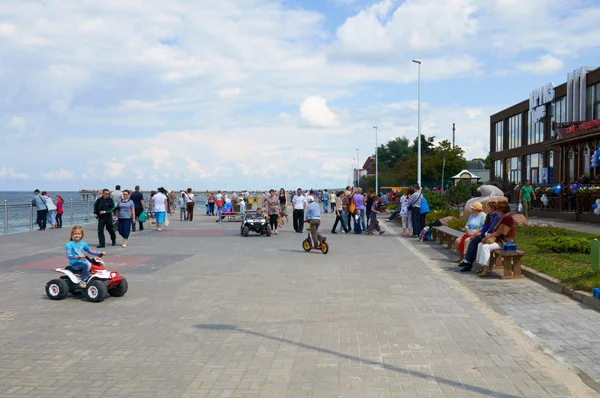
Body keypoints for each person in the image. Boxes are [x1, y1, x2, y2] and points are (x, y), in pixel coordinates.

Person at [475, 201, 516, 277]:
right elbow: (497, 232)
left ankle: (486, 269)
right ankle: (484, 266)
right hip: (500, 239)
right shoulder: (502, 217)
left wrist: (488, 237)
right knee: (480, 244)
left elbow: (499, 232)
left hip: (506, 241)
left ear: (502, 209)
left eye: (498, 209)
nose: (496, 210)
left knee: (485, 247)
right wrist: (487, 237)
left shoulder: (507, 218)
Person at [458, 201, 500, 272]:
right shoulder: (489, 215)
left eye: (488, 207)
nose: (486, 208)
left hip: (492, 236)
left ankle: (469, 262)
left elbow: (492, 228)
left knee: (475, 241)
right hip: (484, 234)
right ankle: (468, 262)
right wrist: (475, 235)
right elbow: (484, 228)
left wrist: (479, 234)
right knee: (474, 239)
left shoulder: (496, 216)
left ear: (493, 208)